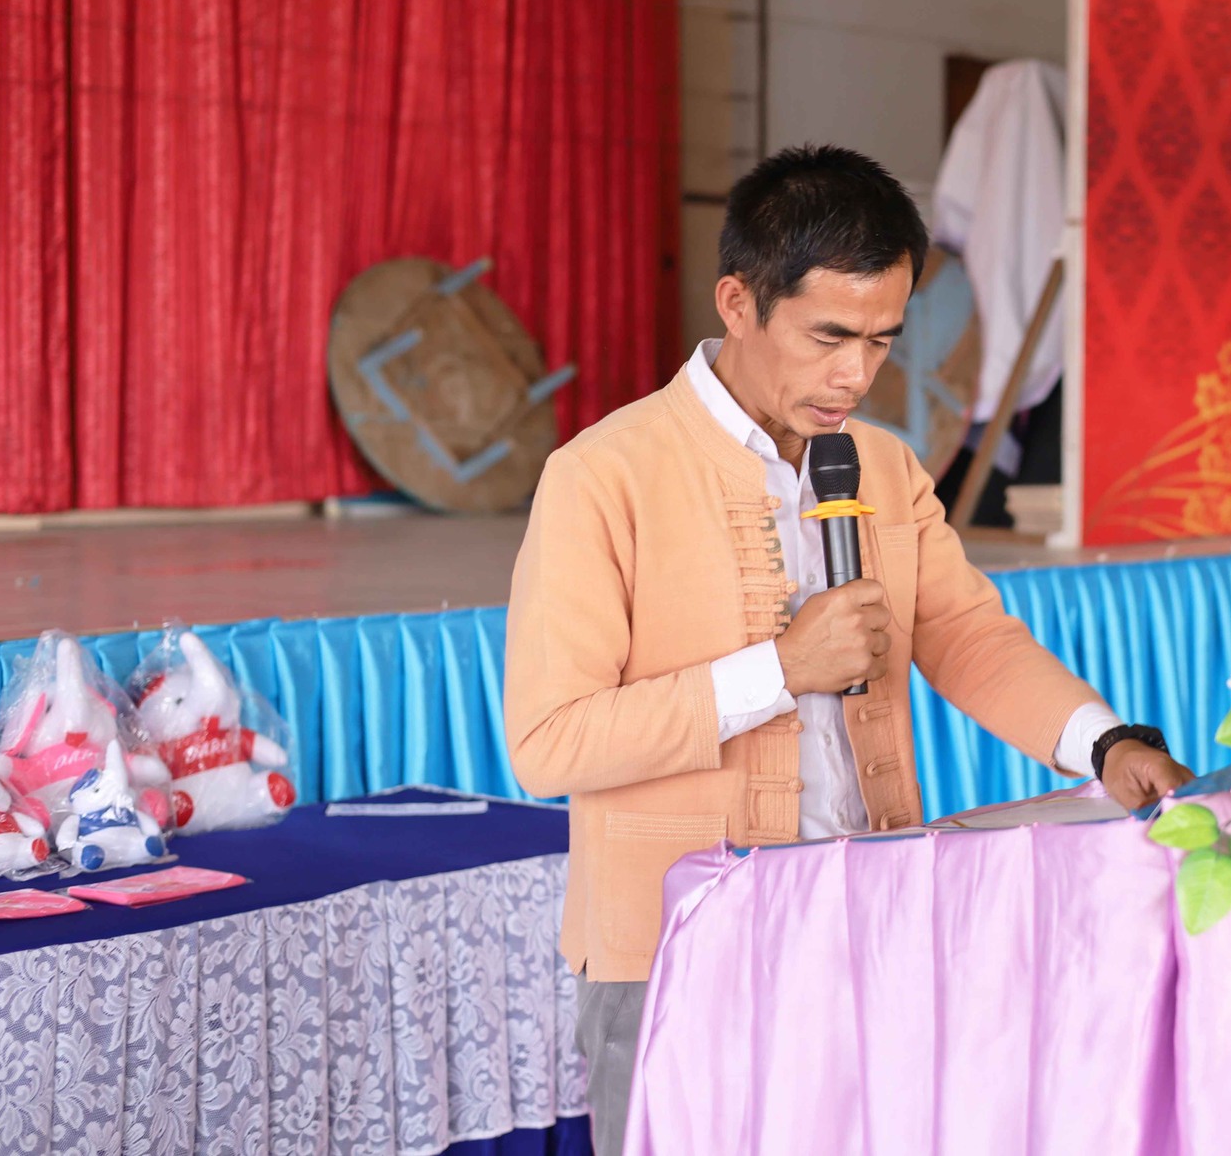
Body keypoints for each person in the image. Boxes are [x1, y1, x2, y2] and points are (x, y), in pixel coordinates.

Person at [503, 145, 1195, 1153]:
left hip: (868, 915)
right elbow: (550, 742)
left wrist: (1105, 742)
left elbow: (965, 633)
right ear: (738, 302)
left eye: (880, 341)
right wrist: (779, 671)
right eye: (828, 335)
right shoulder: (602, 475)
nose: (855, 376)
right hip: (673, 950)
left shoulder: (881, 464)